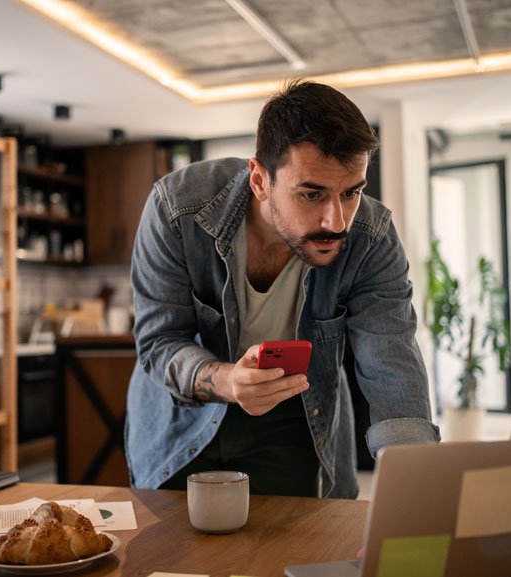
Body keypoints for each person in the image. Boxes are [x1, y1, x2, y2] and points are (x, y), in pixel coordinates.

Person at [126, 79, 439, 499]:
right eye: (312, 194)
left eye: (352, 193)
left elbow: (392, 364)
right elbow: (160, 342)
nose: (336, 221)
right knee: (177, 560)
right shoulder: (176, 210)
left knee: (293, 554)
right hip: (180, 419)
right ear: (259, 180)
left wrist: (413, 491)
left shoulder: (371, 237)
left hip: (296, 414)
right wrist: (226, 380)